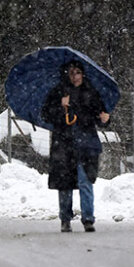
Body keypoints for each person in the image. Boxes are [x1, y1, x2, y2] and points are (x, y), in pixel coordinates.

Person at [41, 59, 110, 233]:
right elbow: (46, 115)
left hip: (86, 145)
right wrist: (60, 106)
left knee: (85, 181)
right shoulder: (58, 92)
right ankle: (65, 219)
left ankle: (88, 219)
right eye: (71, 73)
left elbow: (99, 116)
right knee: (65, 184)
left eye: (77, 72)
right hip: (63, 145)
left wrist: (105, 119)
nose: (75, 76)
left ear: (83, 73)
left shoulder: (91, 93)